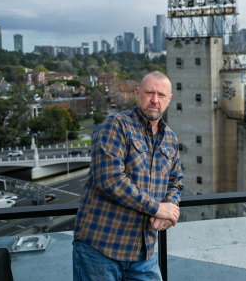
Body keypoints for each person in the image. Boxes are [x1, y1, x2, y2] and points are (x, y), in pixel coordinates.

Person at [73, 71, 183, 280]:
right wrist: (157, 208)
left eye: (161, 95)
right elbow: (110, 179)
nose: (154, 100)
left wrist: (170, 209)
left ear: (169, 100)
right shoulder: (116, 125)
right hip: (102, 247)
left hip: (143, 251)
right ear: (137, 93)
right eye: (149, 93)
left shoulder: (171, 139)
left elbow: (176, 181)